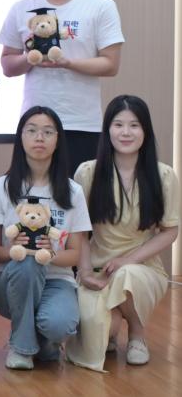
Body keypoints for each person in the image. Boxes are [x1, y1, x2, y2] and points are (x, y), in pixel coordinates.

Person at [0, 0, 124, 174]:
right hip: (34, 124)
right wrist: (30, 58)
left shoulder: (101, 6)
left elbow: (111, 64)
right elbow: (7, 66)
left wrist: (67, 62)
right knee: (33, 194)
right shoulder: (22, 8)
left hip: (82, 123)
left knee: (81, 193)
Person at [69, 95, 179, 370]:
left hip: (142, 269)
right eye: (118, 125)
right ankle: (113, 324)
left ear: (146, 131)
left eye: (134, 125)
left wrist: (125, 261)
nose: (126, 132)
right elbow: (79, 231)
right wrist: (84, 272)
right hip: (97, 269)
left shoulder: (164, 175)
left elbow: (169, 232)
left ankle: (137, 333)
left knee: (126, 275)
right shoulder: (88, 172)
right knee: (102, 333)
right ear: (107, 130)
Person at [0, 106, 90, 370]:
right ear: (21, 138)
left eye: (47, 132)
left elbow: (75, 254)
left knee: (59, 325)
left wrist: (50, 254)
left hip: (57, 281)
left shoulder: (73, 191)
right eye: (31, 131)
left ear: (58, 140)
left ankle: (44, 340)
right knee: (27, 262)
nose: (39, 138)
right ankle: (22, 347)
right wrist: (14, 249)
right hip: (10, 281)